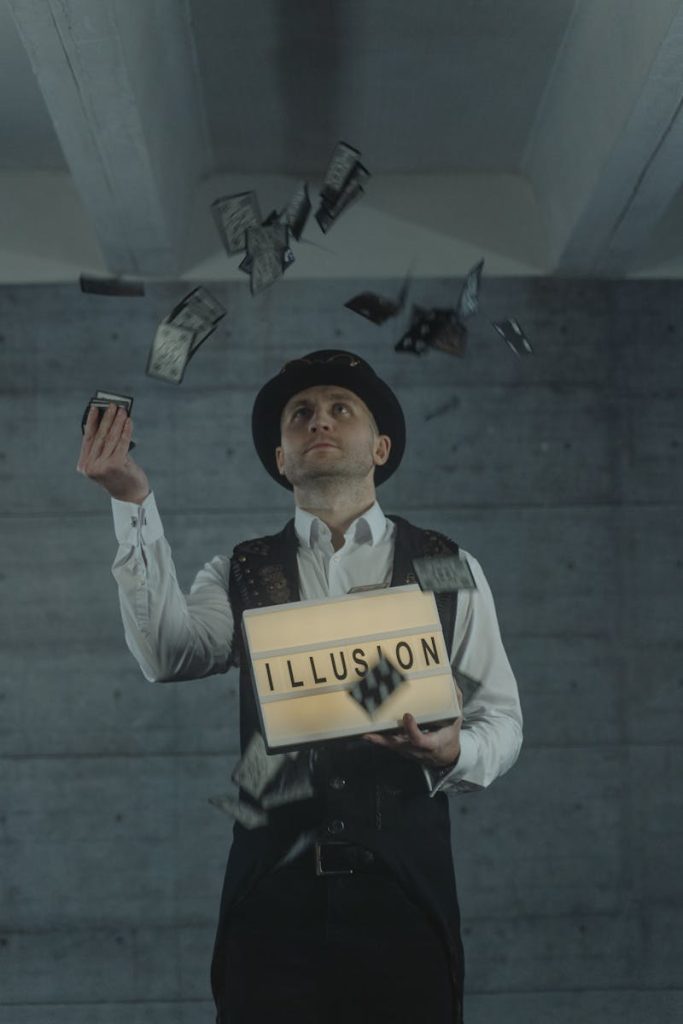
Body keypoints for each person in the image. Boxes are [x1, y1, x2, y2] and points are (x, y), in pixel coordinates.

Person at [77, 349, 522, 1024]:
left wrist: (452, 754)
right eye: (301, 414)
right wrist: (132, 502)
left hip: (403, 891)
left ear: (379, 447)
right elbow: (169, 655)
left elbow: (499, 718)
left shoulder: (442, 563)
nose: (319, 420)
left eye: (341, 409)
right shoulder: (245, 568)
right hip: (270, 893)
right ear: (281, 459)